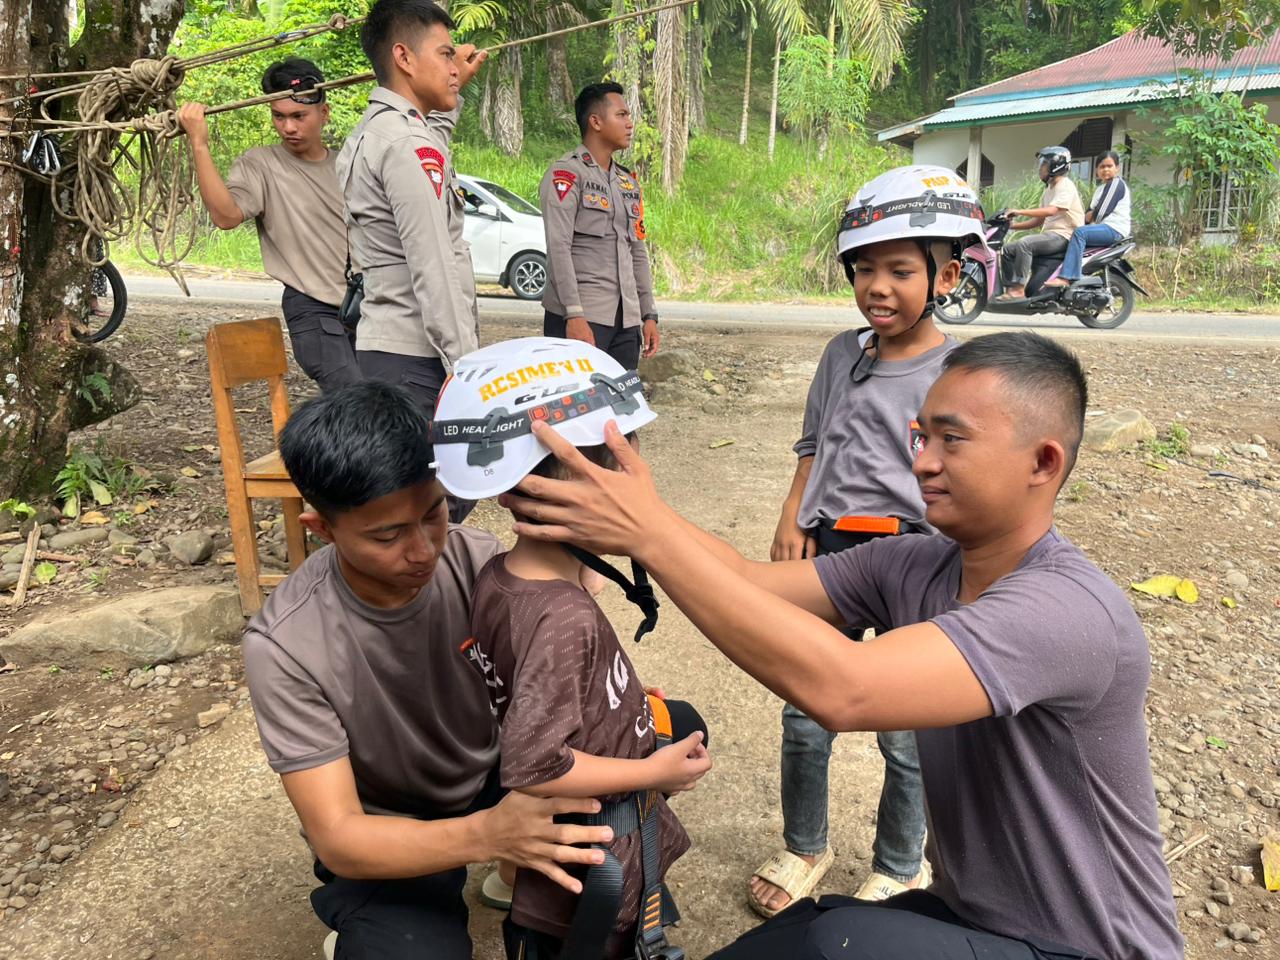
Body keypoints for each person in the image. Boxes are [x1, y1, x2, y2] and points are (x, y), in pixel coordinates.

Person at [497, 328, 1184, 959]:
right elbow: (742, 581)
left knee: (833, 944)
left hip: (1082, 947)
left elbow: (845, 689)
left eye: (952, 440)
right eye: (920, 438)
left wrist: (647, 533)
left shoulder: (1065, 610)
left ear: (1042, 461)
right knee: (798, 932)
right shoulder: (914, 565)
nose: (923, 463)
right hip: (979, 918)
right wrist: (641, 512)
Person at [241, 380, 615, 960]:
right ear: (322, 529)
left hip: (498, 773)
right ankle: (386, 914)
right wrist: (487, 834)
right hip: (391, 820)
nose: (423, 551)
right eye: (387, 535)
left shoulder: (478, 559)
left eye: (434, 513)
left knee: (654, 733)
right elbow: (339, 835)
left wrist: (610, 703)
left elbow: (553, 672)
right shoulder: (285, 644)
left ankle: (513, 874)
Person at [432, 337, 711, 959]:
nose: (636, 475)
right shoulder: (563, 616)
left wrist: (619, 695)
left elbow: (533, 683)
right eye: (619, 457)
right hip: (592, 861)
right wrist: (653, 772)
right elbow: (538, 764)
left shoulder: (503, 576)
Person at [752, 165, 976, 918]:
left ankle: (899, 864)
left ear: (944, 274)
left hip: (917, 557)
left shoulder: (958, 373)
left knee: (907, 735)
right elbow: (813, 444)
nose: (878, 287)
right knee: (803, 709)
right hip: (837, 555)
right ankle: (806, 843)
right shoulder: (839, 357)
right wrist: (794, 516)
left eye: (900, 270)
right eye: (865, 270)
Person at [337, 0, 486, 415]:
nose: (455, 67)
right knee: (432, 481)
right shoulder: (407, 144)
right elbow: (433, 265)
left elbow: (427, 136)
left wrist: (454, 88)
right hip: (417, 362)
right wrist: (468, 372)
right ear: (403, 57)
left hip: (387, 352)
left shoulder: (377, 130)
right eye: (444, 54)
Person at [179, 59, 360, 391]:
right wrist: (199, 145)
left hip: (364, 305)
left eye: (298, 116)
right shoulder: (261, 164)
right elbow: (226, 216)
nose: (288, 127)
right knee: (359, 400)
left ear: (324, 113)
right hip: (312, 306)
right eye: (279, 116)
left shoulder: (347, 164)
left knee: (389, 401)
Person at [540, 82, 661, 370]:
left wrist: (648, 314)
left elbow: (637, 250)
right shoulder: (567, 174)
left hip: (625, 321)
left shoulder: (627, 182)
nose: (630, 124)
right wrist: (574, 315)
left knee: (620, 411)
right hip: (584, 318)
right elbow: (558, 248)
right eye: (622, 115)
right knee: (576, 410)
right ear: (595, 121)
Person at [994, 145, 1084, 301]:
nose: (1040, 168)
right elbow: (1038, 221)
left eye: (1044, 164)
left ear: (1056, 166)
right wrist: (1011, 226)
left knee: (1025, 244)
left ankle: (1019, 289)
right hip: (1050, 235)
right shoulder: (1049, 189)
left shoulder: (1065, 185)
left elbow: (1051, 211)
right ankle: (1011, 288)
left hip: (1064, 236)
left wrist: (1020, 211)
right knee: (1008, 249)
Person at [1046, 150, 1131, 288]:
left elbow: (1101, 213)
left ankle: (1067, 277)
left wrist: (1089, 217)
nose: (1105, 170)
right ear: (1097, 170)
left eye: (1109, 166)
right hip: (1103, 228)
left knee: (1080, 233)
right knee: (1075, 233)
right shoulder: (1100, 189)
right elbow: (1086, 214)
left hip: (1114, 229)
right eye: (1102, 167)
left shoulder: (1116, 184)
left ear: (1117, 168)